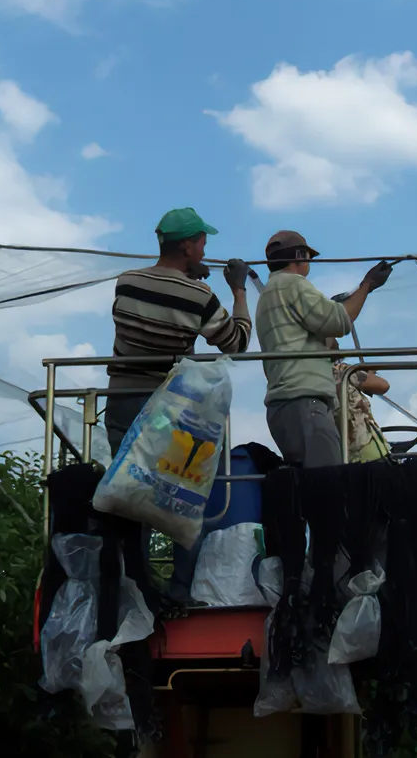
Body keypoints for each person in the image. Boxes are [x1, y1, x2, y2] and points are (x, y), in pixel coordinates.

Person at [104, 206, 251, 605]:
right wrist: (237, 289)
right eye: (202, 241)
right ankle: (180, 588)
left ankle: (134, 587)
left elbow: (158, 303)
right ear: (188, 245)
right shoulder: (199, 295)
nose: (205, 247)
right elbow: (236, 343)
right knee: (185, 494)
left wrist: (185, 277)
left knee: (127, 493)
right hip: (166, 409)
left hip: (120, 398)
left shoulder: (126, 281)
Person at [254, 230, 392, 468]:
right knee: (328, 486)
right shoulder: (293, 284)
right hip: (306, 402)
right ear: (299, 256)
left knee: (311, 489)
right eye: (307, 256)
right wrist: (367, 285)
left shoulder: (268, 295)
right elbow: (338, 321)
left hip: (283, 406)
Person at [328, 336, 393, 463]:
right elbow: (383, 386)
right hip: (366, 448)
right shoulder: (343, 371)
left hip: (340, 453)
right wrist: (367, 374)